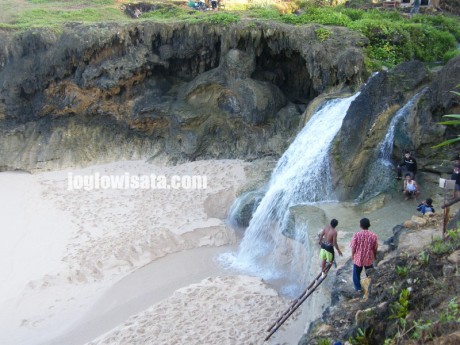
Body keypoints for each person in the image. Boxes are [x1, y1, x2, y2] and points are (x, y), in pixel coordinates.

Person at [350, 218, 378, 292]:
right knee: (370, 273)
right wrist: (375, 255)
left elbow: (353, 247)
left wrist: (352, 255)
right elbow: (374, 248)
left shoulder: (357, 235)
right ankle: (370, 285)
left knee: (356, 274)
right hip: (368, 258)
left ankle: (358, 288)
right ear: (369, 225)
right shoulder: (373, 236)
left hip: (358, 258)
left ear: (360, 225)